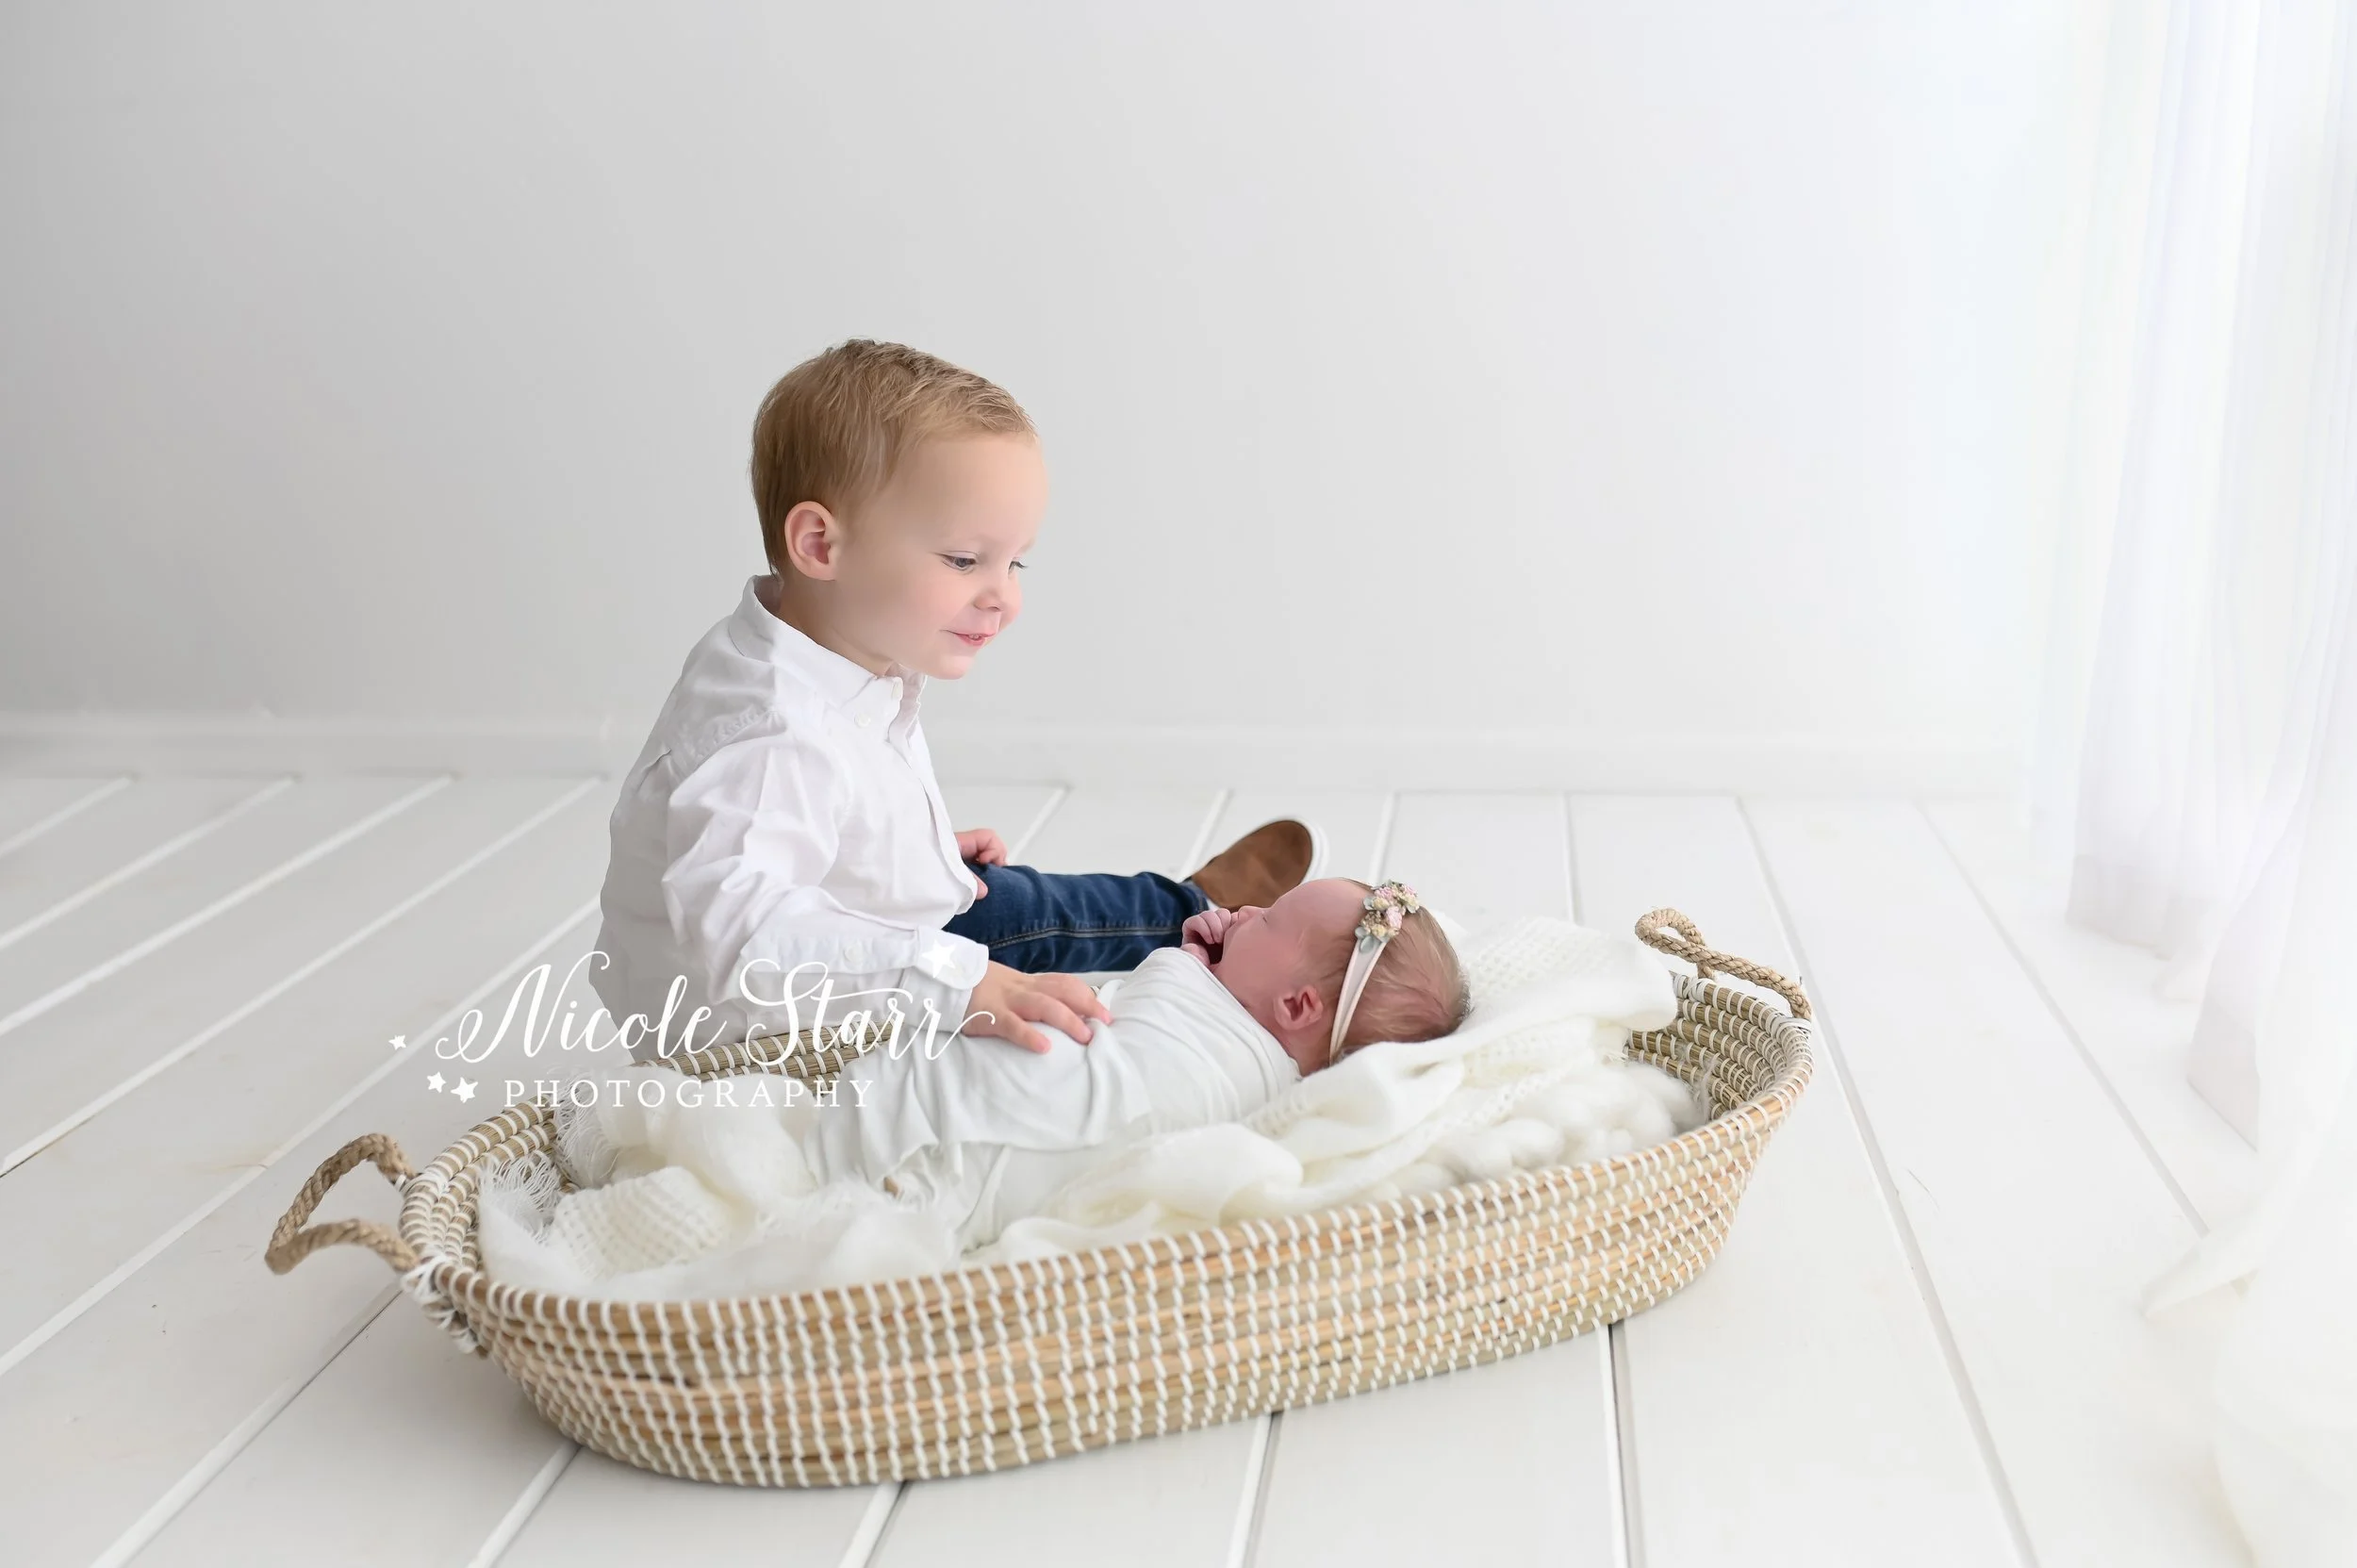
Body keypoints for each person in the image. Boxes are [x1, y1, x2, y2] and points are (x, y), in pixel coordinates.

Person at [590, 338, 1324, 1063]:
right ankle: (1210, 936)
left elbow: (801, 821)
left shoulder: (810, 652)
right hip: (782, 1036)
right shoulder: (770, 730)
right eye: (965, 559)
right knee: (1035, 944)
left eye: (1016, 561)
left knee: (1022, 898)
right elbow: (744, 939)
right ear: (820, 544)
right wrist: (959, 982)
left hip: (849, 947)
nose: (1003, 595)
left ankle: (1181, 914)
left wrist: (897, 847)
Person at [483, 883, 1473, 1295]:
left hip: (893, 1150)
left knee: (710, 1159)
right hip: (887, 1149)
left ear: (1297, 1004)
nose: (1234, 914)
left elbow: (1129, 1009)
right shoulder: (1250, 1074)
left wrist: (1183, 956)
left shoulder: (1196, 1025)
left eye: (1261, 920)